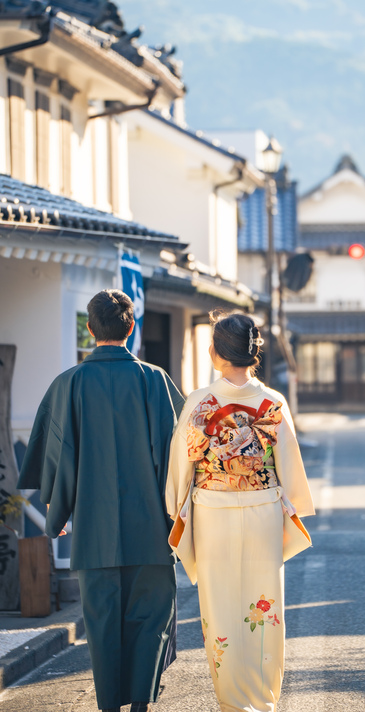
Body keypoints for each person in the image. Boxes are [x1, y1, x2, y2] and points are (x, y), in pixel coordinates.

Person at [17, 289, 184, 712]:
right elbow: (178, 455)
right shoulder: (154, 380)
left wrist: (60, 510)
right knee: (151, 619)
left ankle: (109, 705)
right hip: (152, 529)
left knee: (103, 623)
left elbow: (57, 455)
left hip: (93, 530)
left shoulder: (68, 384)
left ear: (90, 330)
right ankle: (142, 704)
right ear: (132, 328)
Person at [166, 311, 315, 712]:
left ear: (215, 353)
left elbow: (182, 467)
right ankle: (264, 699)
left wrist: (176, 504)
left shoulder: (199, 402)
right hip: (263, 509)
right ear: (255, 354)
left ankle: (232, 702)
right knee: (264, 606)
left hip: (213, 512)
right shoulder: (272, 402)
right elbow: (290, 469)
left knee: (222, 607)